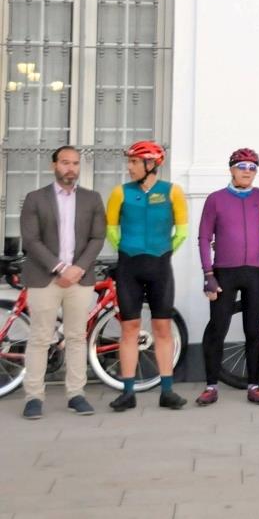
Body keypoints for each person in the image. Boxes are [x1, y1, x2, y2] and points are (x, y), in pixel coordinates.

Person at [18, 145, 106, 420]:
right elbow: (31, 240)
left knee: (77, 337)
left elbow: (97, 238)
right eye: (65, 163)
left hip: (80, 279)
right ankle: (34, 396)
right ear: (53, 166)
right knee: (40, 338)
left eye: (75, 163)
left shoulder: (92, 199)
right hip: (45, 278)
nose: (71, 168)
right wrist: (60, 268)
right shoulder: (35, 198)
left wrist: (78, 269)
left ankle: (76, 394)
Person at [105, 140, 189, 411]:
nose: (129, 167)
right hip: (129, 267)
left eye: (134, 162)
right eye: (129, 162)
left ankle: (167, 391)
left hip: (160, 267)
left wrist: (163, 252)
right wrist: (128, 251)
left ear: (151, 164)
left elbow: (183, 231)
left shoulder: (173, 192)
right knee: (129, 329)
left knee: (162, 329)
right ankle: (128, 392)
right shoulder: (120, 192)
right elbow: (112, 229)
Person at [196, 148, 259, 407]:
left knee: (253, 329)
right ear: (231, 169)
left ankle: (253, 384)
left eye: (252, 168)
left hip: (255, 272)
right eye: (242, 167)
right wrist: (208, 273)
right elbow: (204, 237)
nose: (247, 172)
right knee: (218, 328)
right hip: (224, 272)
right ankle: (211, 385)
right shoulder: (216, 199)